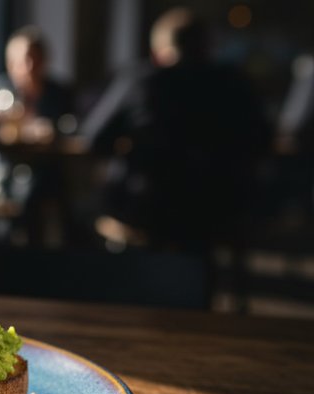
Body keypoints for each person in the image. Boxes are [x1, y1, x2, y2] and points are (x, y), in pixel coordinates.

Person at [81, 8, 270, 250]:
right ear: (207, 47)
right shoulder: (234, 84)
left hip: (148, 206)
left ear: (157, 53)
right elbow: (263, 140)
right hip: (219, 206)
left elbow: (95, 138)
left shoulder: (141, 80)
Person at [0, 27, 75, 246]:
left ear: (44, 61)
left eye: (34, 59)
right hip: (3, 168)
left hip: (44, 170)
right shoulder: (1, 89)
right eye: (21, 61)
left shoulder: (57, 92)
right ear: (10, 63)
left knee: (33, 193)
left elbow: (71, 130)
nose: (28, 67)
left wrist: (49, 130)